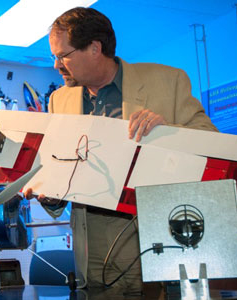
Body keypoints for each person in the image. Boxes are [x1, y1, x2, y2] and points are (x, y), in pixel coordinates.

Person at [26, 7, 217, 293]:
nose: (57, 65)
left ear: (94, 48)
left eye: (63, 55)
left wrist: (169, 133)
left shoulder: (169, 81)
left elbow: (212, 145)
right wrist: (51, 196)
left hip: (155, 237)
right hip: (90, 245)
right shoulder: (59, 100)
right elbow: (62, 172)